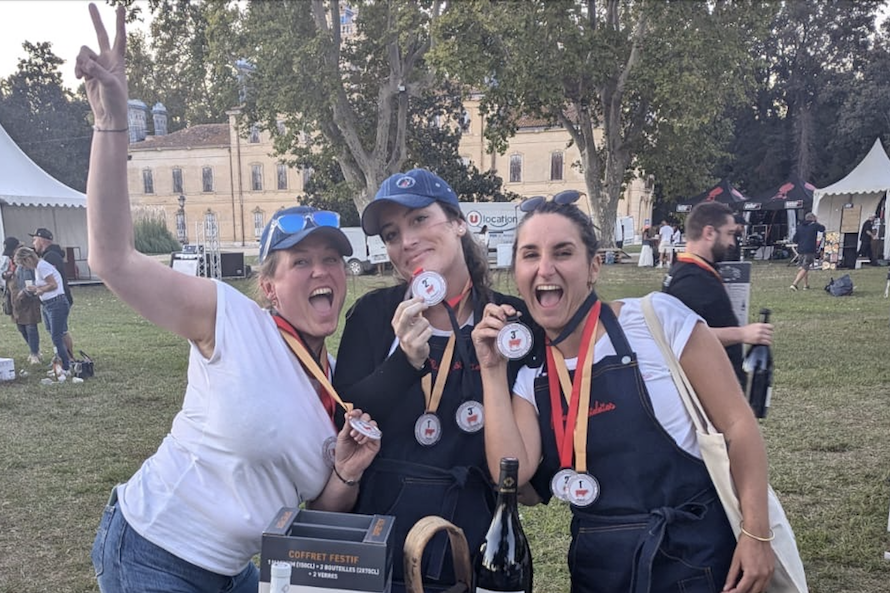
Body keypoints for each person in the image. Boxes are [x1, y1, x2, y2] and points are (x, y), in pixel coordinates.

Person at [76, 7, 380, 593]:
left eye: (332, 258)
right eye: (301, 262)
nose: (322, 270)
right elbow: (112, 259)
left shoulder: (333, 382)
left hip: (235, 570)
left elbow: (314, 519)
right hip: (153, 549)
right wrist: (112, 124)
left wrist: (344, 468)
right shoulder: (229, 319)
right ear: (268, 285)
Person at [471, 198, 775, 593]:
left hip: (696, 557)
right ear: (517, 271)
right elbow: (510, 474)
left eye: (563, 252)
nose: (545, 268)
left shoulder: (657, 321)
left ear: (594, 266)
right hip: (599, 569)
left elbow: (738, 425)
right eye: (530, 255)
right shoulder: (532, 377)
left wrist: (756, 533)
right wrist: (493, 370)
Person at [333, 168, 540, 592]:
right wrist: (405, 363)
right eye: (391, 234)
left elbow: (531, 445)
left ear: (459, 222)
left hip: (476, 538)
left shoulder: (510, 320)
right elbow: (347, 417)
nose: (406, 241)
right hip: (382, 539)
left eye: (420, 220)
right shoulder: (373, 315)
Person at [663, 202, 773, 389]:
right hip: (707, 391)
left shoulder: (693, 272)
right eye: (729, 234)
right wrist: (742, 334)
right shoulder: (691, 280)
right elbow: (683, 336)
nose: (732, 242)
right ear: (709, 233)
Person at [15, 247, 70, 378]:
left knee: (57, 336)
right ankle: (59, 365)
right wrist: (37, 288)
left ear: (28, 259)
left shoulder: (42, 266)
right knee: (53, 333)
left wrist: (41, 290)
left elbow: (53, 285)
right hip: (47, 304)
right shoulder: (37, 268)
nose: (24, 267)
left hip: (56, 303)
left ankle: (66, 367)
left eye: (23, 263)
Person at [30, 227, 74, 360]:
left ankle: (68, 358)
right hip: (54, 298)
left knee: (60, 332)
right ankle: (62, 357)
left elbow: (53, 281)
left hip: (58, 298)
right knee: (57, 331)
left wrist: (39, 289)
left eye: (34, 240)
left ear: (42, 240)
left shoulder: (50, 257)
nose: (33, 243)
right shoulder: (48, 256)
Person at [2, 238, 42, 364]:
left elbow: (34, 277)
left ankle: (35, 353)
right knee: (21, 326)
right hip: (13, 296)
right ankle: (33, 349)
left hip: (27, 296)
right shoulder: (11, 260)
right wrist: (6, 274)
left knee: (30, 326)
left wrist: (26, 291)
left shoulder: (26, 257)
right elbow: (5, 272)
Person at [790, 212, 825, 290]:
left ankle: (805, 285)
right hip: (809, 249)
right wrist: (816, 221)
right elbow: (823, 229)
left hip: (800, 250)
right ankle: (794, 284)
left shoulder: (800, 227)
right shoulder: (814, 225)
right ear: (813, 218)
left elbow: (795, 239)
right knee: (805, 267)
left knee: (803, 267)